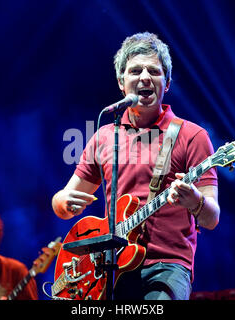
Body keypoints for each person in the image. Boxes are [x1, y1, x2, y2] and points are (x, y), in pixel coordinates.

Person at [52, 32, 220, 300]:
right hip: (109, 266)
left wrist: (195, 201)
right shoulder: (104, 135)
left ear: (167, 82)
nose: (144, 77)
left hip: (167, 265)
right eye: (135, 71)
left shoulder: (193, 136)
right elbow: (63, 203)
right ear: (121, 82)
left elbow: (211, 219)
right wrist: (62, 202)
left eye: (154, 71)